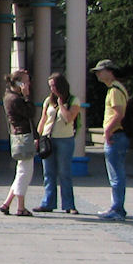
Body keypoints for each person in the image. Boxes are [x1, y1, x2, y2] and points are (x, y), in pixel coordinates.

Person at [34, 73, 81, 214]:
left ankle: (69, 205)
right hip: (48, 139)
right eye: (50, 86)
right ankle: (48, 203)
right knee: (48, 172)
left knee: (64, 172)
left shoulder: (73, 100)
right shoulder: (48, 101)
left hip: (65, 139)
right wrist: (37, 137)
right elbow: (43, 119)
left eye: (54, 85)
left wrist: (61, 105)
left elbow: (69, 118)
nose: (52, 89)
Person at [93, 59, 130, 220]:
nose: (97, 74)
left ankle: (117, 209)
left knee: (116, 175)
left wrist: (108, 131)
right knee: (116, 174)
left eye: (100, 71)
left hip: (115, 135)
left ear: (110, 71)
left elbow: (119, 113)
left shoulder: (114, 90)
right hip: (117, 135)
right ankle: (116, 207)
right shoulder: (115, 89)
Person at [0, 69, 35, 216]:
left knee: (21, 171)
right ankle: (20, 207)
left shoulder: (9, 96)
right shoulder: (16, 100)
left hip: (18, 136)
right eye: (26, 81)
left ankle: (7, 203)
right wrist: (27, 96)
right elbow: (30, 112)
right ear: (19, 84)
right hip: (23, 136)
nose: (29, 84)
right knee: (25, 172)